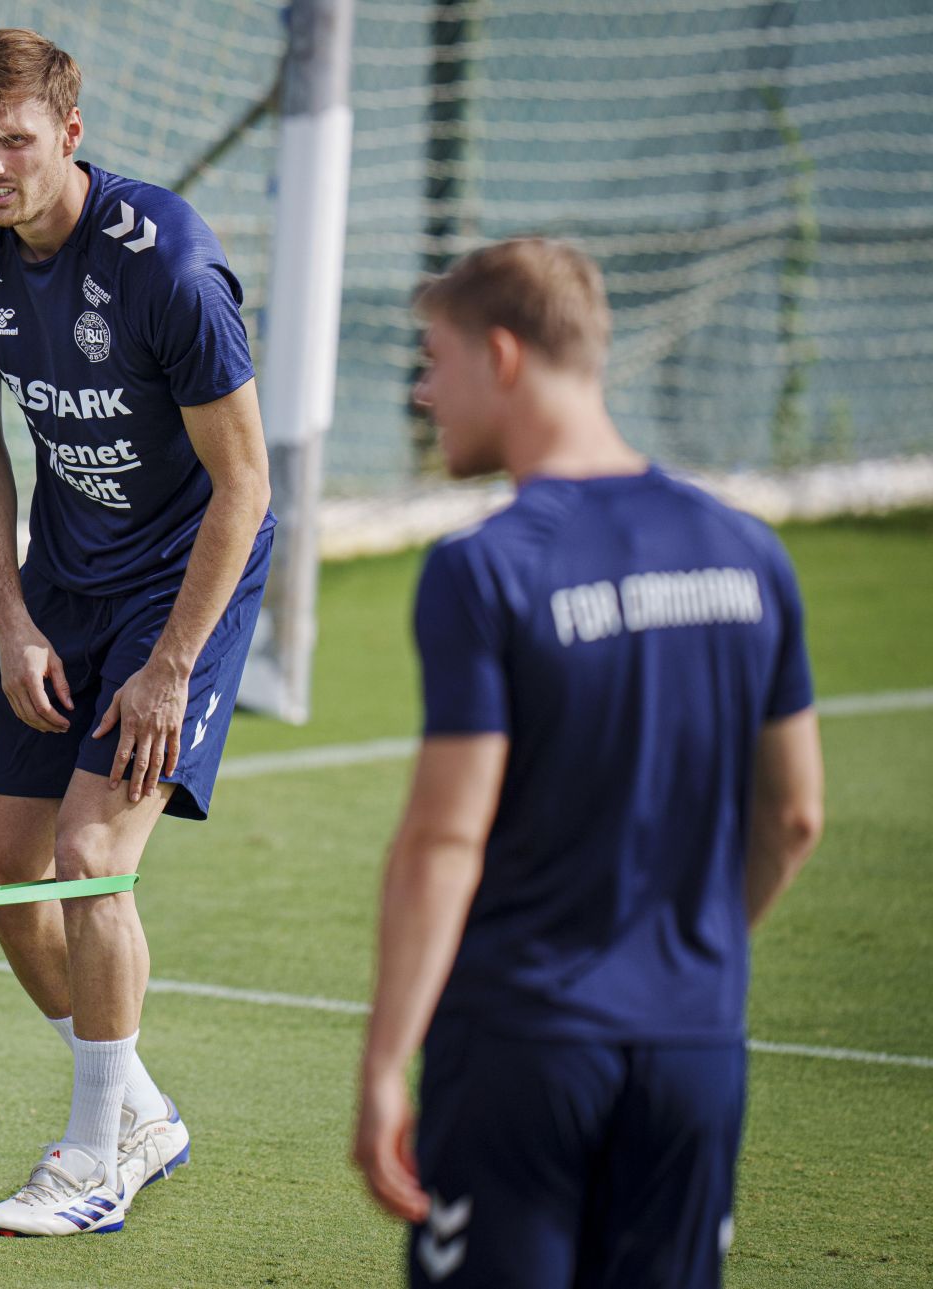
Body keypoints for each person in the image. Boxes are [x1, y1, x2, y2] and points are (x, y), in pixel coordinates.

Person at [353, 238, 826, 1287]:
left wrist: (387, 1063)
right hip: (694, 1047)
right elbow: (795, 815)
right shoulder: (751, 553)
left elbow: (445, 837)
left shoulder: (487, 568)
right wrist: (674, 958)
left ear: (506, 356)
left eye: (436, 358)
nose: (425, 391)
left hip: (525, 1043)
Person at [0, 28, 275, 1236]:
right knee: (2, 876)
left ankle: (92, 1158)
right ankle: (138, 1107)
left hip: (185, 581)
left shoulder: (168, 267)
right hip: (61, 579)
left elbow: (248, 485)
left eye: (12, 140)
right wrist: (12, 618)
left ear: (71, 134)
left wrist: (171, 666)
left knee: (86, 852)